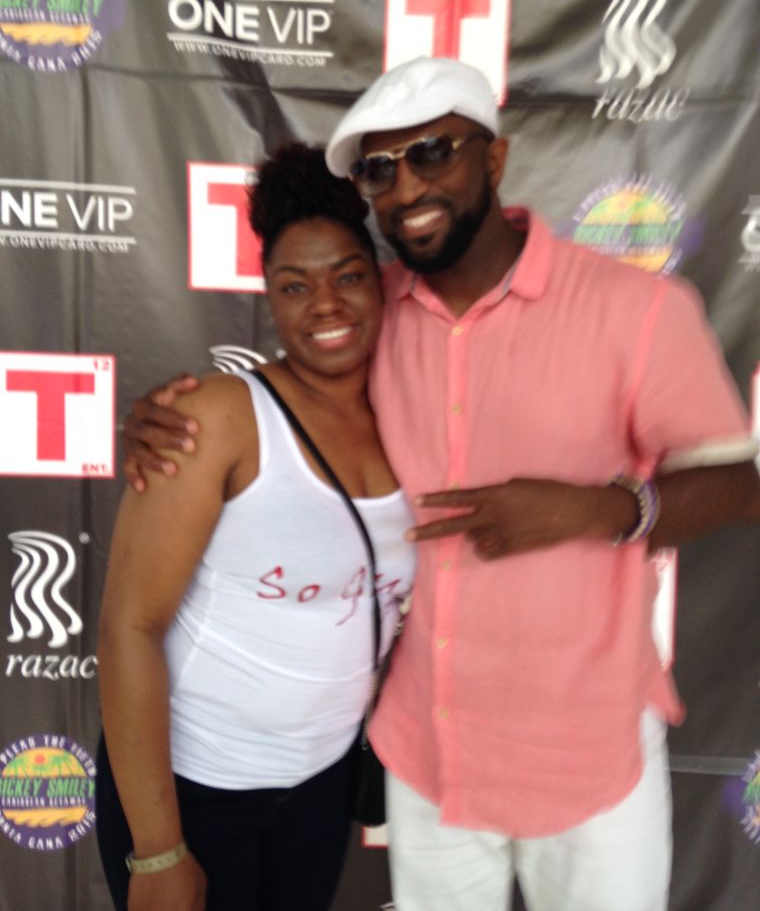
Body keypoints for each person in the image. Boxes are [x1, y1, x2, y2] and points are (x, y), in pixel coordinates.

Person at [123, 57, 760, 911]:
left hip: (589, 750)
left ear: (493, 158)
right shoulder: (373, 308)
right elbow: (288, 393)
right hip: (431, 755)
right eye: (381, 169)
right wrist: (163, 418)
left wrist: (599, 507)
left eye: (433, 153)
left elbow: (738, 483)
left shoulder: (635, 308)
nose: (408, 186)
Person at [96, 143, 416, 911]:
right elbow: (128, 627)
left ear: (382, 282)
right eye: (294, 285)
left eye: (347, 276)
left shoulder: (420, 413)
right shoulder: (217, 418)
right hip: (195, 791)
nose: (325, 304)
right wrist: (158, 848)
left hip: (320, 789)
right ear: (269, 297)